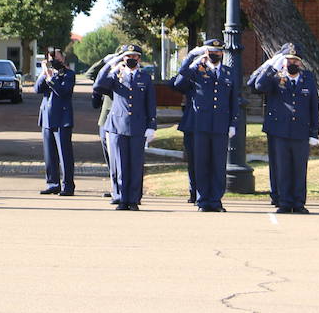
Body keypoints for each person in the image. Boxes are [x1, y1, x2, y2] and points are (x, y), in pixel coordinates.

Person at [248, 44, 319, 214]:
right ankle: (284, 202)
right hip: (279, 131)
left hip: (300, 131)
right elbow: (257, 86)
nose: (292, 63)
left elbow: (314, 106)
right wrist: (271, 66)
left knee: (299, 169)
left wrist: (314, 132)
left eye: (295, 60)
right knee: (282, 168)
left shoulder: (308, 78)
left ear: (301, 63)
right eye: (289, 60)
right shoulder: (274, 77)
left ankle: (299, 202)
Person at [171, 39, 240, 212]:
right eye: (211, 51)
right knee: (201, 164)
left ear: (222, 53)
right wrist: (190, 58)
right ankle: (202, 200)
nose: (214, 54)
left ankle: (216, 201)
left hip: (220, 125)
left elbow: (233, 101)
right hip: (199, 125)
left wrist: (233, 123)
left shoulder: (228, 72)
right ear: (205, 53)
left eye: (217, 52)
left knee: (218, 165)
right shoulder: (196, 71)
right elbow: (179, 82)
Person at [92, 44, 156, 210]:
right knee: (119, 164)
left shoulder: (145, 78)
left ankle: (133, 200)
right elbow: (98, 85)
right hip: (117, 126)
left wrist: (152, 126)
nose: (131, 59)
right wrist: (112, 66)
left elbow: (150, 103)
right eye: (127, 56)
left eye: (134, 56)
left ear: (139, 59)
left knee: (135, 165)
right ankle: (121, 198)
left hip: (138, 126)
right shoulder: (115, 76)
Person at [35, 47, 75, 196]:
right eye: (52, 59)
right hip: (47, 118)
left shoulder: (68, 74)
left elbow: (63, 91)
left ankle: (68, 185)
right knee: (49, 154)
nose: (54, 61)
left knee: (64, 154)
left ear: (62, 59)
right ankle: (53, 183)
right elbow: (37, 89)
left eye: (57, 58)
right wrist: (44, 72)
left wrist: (51, 78)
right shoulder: (46, 74)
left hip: (62, 118)